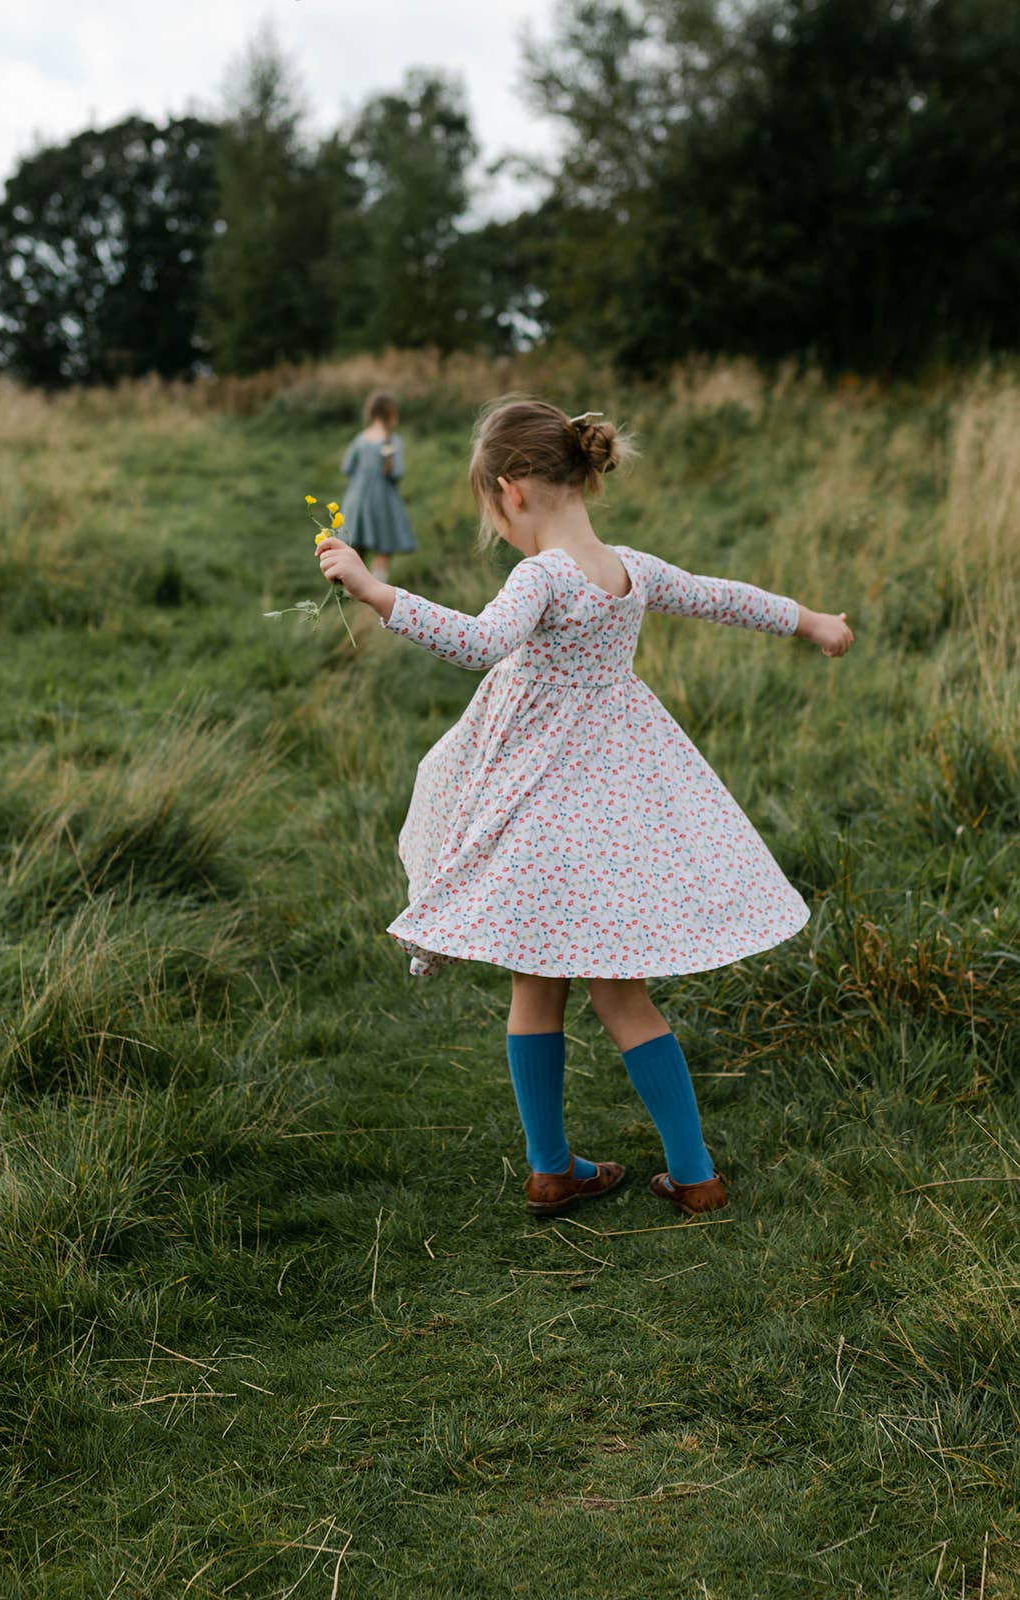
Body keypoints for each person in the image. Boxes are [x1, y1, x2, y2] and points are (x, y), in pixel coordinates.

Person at [316, 398, 854, 1219]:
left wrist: (371, 588)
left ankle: (550, 1167)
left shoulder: (541, 575)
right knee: (621, 994)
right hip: (614, 809)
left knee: (535, 988)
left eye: (488, 509)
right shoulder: (627, 568)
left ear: (513, 492)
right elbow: (722, 596)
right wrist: (811, 620)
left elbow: (476, 643)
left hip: (539, 810)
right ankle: (694, 1172)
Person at [338, 392, 417, 581]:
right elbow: (396, 473)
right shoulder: (393, 441)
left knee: (356, 547)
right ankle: (376, 589)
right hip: (383, 501)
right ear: (391, 414)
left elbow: (346, 467)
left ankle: (350, 587)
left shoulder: (361, 439)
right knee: (383, 547)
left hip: (358, 499)